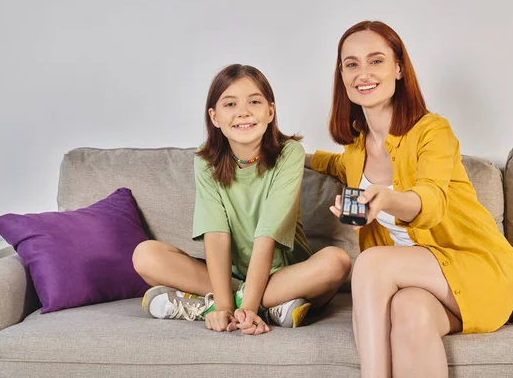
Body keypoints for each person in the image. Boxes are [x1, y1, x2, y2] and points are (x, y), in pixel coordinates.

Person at [305, 21, 513, 377]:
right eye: (351, 64)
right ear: (341, 74)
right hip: (426, 286)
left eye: (376, 61)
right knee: (409, 309)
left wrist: (386, 200)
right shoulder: (356, 149)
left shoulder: (433, 131)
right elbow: (333, 163)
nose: (363, 73)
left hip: (484, 272)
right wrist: (283, 152)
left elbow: (430, 199)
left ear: (399, 68)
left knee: (371, 262)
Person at [133, 64, 351, 335]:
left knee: (337, 261)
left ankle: (213, 305)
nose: (243, 112)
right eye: (230, 104)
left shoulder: (290, 154)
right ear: (214, 117)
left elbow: (267, 234)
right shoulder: (205, 161)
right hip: (229, 278)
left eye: (254, 102)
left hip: (284, 275)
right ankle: (266, 307)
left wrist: (247, 308)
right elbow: (216, 233)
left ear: (270, 111)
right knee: (145, 255)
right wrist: (225, 304)